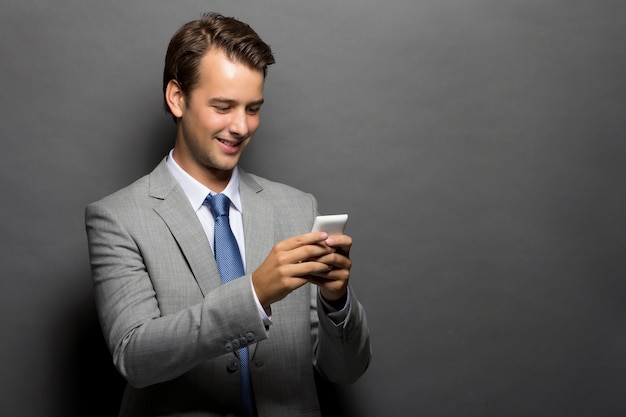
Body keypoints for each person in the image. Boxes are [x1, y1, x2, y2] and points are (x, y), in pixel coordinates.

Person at [85, 12, 371, 417]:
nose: (241, 126)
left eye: (253, 108)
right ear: (176, 98)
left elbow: (345, 371)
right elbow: (135, 357)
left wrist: (336, 300)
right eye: (223, 106)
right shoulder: (117, 218)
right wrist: (254, 293)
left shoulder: (297, 208)